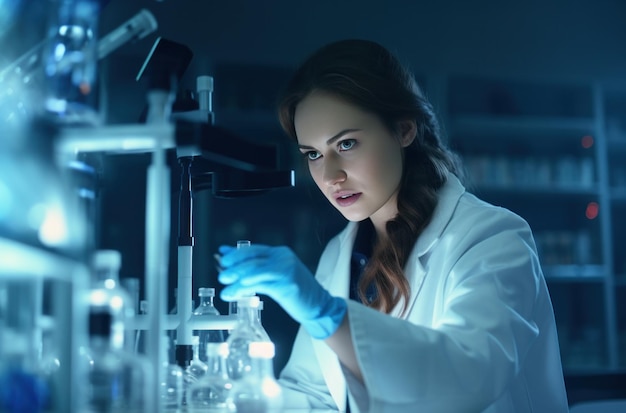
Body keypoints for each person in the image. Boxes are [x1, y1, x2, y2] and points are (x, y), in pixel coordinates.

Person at [216, 39, 569, 412]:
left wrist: (329, 315)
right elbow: (315, 393)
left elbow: (469, 376)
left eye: (347, 144)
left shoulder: (491, 237)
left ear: (404, 130)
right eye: (314, 154)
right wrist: (234, 399)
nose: (331, 175)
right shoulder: (341, 253)